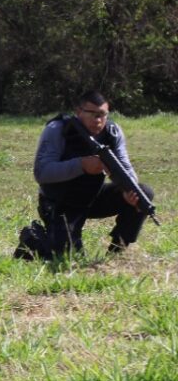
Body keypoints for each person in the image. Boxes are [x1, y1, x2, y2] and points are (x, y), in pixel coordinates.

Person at [21, 90, 155, 258]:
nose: (98, 120)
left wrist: (128, 190)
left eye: (102, 114)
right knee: (67, 259)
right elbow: (42, 172)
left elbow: (125, 168)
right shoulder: (58, 129)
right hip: (60, 202)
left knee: (143, 194)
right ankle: (32, 241)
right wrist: (81, 165)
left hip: (92, 197)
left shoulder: (112, 132)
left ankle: (116, 253)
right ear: (78, 112)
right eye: (92, 114)